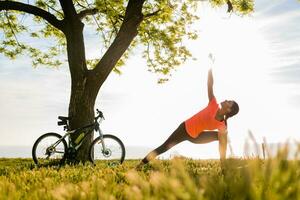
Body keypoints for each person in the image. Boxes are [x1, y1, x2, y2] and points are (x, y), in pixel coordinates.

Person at [139, 68, 239, 165]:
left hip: (196, 137)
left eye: (229, 102)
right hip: (184, 129)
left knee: (223, 137)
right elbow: (210, 84)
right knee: (164, 147)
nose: (226, 100)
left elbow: (223, 144)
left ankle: (224, 166)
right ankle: (140, 165)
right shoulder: (213, 104)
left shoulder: (222, 125)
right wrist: (210, 68)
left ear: (229, 110)